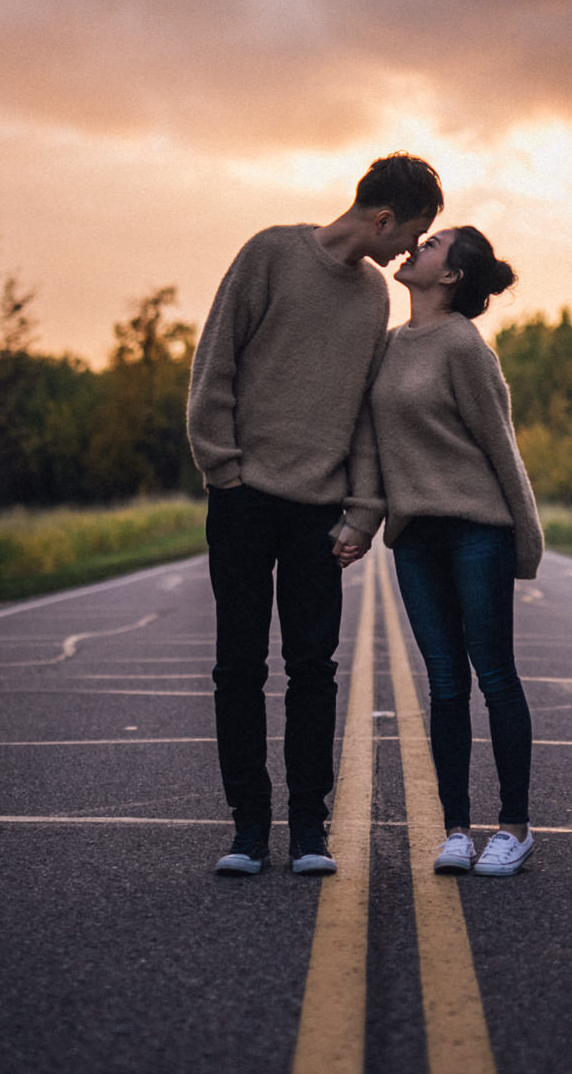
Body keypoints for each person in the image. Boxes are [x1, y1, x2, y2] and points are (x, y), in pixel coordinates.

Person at [186, 152, 444, 878]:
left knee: (312, 670)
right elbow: (216, 365)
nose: (405, 255)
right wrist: (223, 470)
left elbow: (365, 413)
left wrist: (362, 511)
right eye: (409, 236)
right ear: (383, 217)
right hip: (241, 499)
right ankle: (246, 830)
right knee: (237, 666)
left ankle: (307, 829)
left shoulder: (372, 300)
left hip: (317, 514)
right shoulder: (269, 254)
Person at [336, 226, 542, 877]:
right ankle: (456, 829)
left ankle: (513, 828)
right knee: (445, 683)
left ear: (450, 276)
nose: (415, 246)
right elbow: (369, 445)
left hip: (477, 529)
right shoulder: (390, 347)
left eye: (432, 244)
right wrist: (362, 522)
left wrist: (524, 535)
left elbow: (499, 444)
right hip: (415, 538)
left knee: (493, 674)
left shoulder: (463, 347)